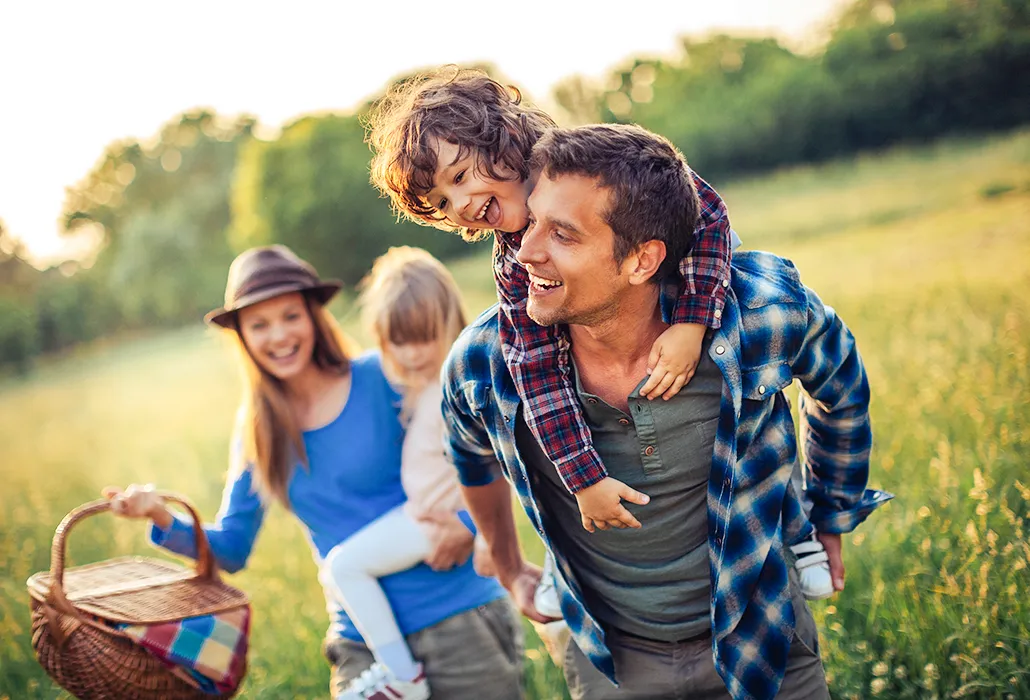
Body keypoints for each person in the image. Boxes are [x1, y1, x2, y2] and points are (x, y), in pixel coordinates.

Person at [439, 124, 894, 699]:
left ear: (642, 260)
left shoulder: (759, 315)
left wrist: (831, 510)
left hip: (762, 637)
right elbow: (468, 453)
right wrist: (506, 564)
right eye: (531, 222)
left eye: (562, 234)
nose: (523, 250)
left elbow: (841, 386)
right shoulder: (485, 362)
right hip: (610, 662)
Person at [365, 67, 834, 601]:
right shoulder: (513, 265)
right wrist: (583, 478)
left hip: (691, 292)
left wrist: (692, 323)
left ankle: (796, 532)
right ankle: (573, 575)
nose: (462, 205)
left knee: (747, 410)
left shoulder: (600, 163)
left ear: (502, 137)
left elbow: (709, 214)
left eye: (459, 177)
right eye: (444, 203)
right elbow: (536, 373)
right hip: (613, 359)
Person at [102, 245, 523, 700]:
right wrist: (162, 518)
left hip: (457, 618)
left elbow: (472, 453)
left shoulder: (384, 375)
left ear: (314, 317)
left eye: (290, 316)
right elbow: (231, 549)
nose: (278, 335)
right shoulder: (258, 433)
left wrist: (467, 526)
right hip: (361, 644)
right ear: (241, 336)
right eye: (259, 324)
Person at [319, 245, 546, 698]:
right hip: (422, 513)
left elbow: (498, 459)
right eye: (397, 340)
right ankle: (403, 674)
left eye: (423, 337)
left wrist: (484, 535)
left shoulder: (457, 382)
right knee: (343, 568)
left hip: (436, 518)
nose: (412, 352)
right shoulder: (417, 381)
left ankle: (404, 678)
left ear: (448, 322)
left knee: (343, 567)